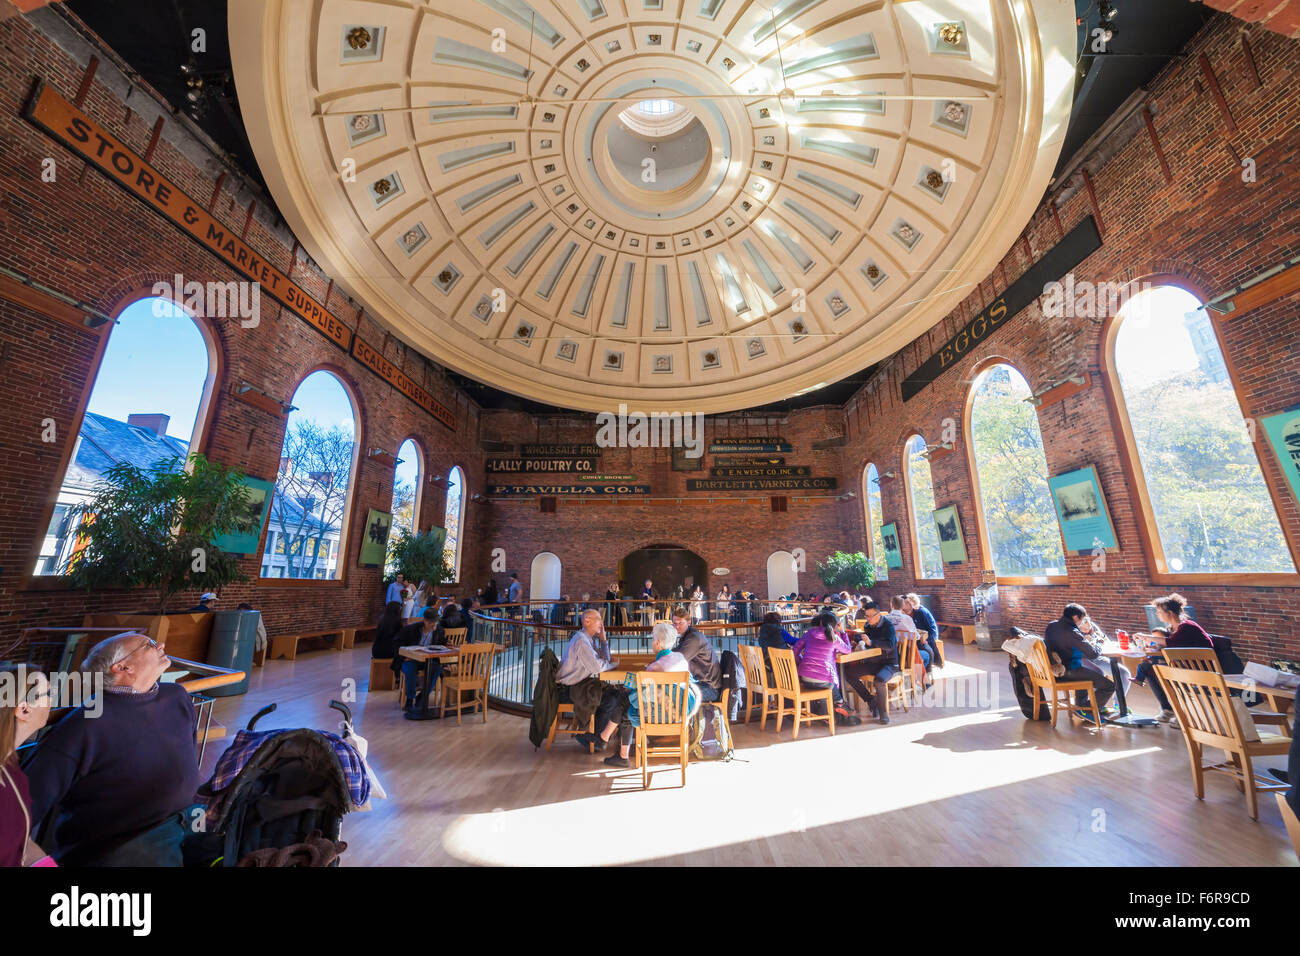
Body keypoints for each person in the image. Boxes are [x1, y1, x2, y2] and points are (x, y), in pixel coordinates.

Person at [25, 633, 200, 866]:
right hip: (127, 844)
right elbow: (20, 809)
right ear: (122, 666)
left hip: (189, 822)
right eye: (148, 644)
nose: (160, 645)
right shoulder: (83, 727)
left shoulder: (176, 696)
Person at [582, 622, 699, 769]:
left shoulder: (655, 667)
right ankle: (618, 753)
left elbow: (639, 692)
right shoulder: (680, 658)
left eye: (652, 639)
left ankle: (606, 741)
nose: (651, 642)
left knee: (625, 700)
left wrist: (626, 685)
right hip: (681, 713)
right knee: (625, 704)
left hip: (661, 715)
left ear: (657, 643)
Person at [1, 666, 54, 867]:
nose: (53, 699)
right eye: (47, 693)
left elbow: (20, 841)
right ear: (24, 709)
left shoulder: (12, 766)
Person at [1132, 593, 1214, 722]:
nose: (1157, 614)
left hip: (1200, 668)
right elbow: (1170, 648)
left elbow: (1170, 643)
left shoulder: (1186, 626)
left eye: (1159, 612)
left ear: (1169, 613)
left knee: (1158, 670)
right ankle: (1167, 709)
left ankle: (1185, 714)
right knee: (1146, 667)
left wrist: (1145, 636)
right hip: (1184, 665)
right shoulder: (1172, 628)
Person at [559, 611, 629, 753]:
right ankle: (596, 737)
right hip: (569, 690)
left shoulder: (588, 640)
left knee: (615, 694)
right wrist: (614, 665)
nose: (601, 624)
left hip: (580, 685)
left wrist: (603, 641)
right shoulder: (581, 641)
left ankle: (598, 736)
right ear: (587, 621)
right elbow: (598, 667)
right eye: (598, 620)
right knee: (612, 697)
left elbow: (604, 659)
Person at [1043, 604, 1115, 717]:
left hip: (1053, 670)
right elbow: (1093, 654)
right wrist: (1099, 643)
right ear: (1075, 617)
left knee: (1086, 672)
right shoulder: (1072, 632)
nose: (1081, 623)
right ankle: (1087, 711)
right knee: (1109, 686)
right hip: (1069, 671)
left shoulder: (1052, 626)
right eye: (1081, 619)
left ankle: (1081, 708)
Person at [844, 602, 898, 723]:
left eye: (870, 616)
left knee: (879, 681)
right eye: (866, 616)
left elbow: (890, 645)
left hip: (889, 663)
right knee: (849, 673)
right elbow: (864, 636)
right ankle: (871, 701)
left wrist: (871, 642)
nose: (867, 619)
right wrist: (858, 640)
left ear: (878, 614)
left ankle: (883, 713)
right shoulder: (869, 625)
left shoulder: (888, 626)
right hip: (873, 662)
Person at [791, 612, 851, 712]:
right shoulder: (834, 637)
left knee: (826, 682)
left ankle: (826, 713)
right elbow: (848, 651)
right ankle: (839, 703)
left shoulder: (810, 633)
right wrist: (843, 632)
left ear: (820, 622)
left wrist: (802, 662)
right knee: (829, 683)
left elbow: (795, 651)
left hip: (805, 679)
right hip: (824, 681)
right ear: (836, 625)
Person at [397, 609, 446, 719]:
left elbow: (441, 642)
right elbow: (397, 643)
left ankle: (423, 696)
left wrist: (447, 643)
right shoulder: (411, 629)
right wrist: (405, 656)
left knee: (437, 669)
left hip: (428, 660)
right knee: (410, 670)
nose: (433, 625)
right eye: (431, 623)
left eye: (435, 622)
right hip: (411, 659)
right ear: (424, 621)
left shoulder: (439, 630)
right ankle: (410, 699)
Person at [670, 607, 722, 703]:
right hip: (700, 683)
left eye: (680, 623)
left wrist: (658, 665)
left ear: (689, 622)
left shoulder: (694, 638)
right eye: (674, 623)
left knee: (673, 695)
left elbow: (678, 660)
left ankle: (679, 718)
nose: (677, 626)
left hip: (710, 688)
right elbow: (674, 653)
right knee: (671, 690)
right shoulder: (687, 636)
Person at [887, 596, 928, 687]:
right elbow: (916, 636)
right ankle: (919, 681)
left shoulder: (885, 618)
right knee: (927, 655)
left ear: (891, 605)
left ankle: (908, 680)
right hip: (907, 656)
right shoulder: (906, 618)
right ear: (902, 606)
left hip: (892, 654)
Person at [905, 593, 942, 668]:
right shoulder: (907, 612)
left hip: (929, 635)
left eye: (906, 603)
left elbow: (931, 630)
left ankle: (932, 663)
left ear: (912, 604)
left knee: (924, 647)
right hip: (919, 634)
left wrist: (927, 639)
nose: (904, 605)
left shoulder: (922, 612)